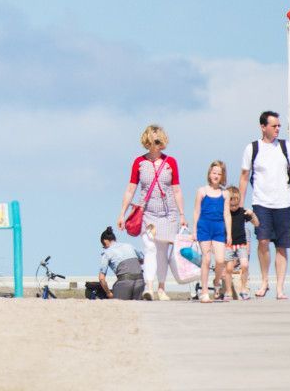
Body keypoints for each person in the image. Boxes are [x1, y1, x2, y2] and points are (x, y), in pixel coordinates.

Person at [239, 110, 290, 300]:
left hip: (283, 204)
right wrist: (239, 203)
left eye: (279, 125)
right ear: (263, 127)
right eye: (274, 126)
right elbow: (244, 177)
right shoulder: (252, 148)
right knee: (262, 241)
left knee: (282, 245)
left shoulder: (286, 147)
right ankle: (264, 281)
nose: (278, 129)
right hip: (261, 202)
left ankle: (280, 287)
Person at [119, 124, 186, 300]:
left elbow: (177, 189)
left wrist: (182, 214)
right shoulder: (139, 162)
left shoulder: (170, 162)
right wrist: (122, 213)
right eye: (150, 142)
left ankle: (161, 287)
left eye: (157, 141)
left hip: (168, 212)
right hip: (146, 212)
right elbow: (130, 189)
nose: (154, 145)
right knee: (149, 247)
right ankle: (149, 286)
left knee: (162, 251)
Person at [191, 161, 233, 302]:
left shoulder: (225, 193)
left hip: (219, 227)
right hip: (204, 226)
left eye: (219, 173)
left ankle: (216, 282)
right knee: (207, 259)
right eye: (214, 172)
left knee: (221, 260)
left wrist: (229, 233)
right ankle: (204, 292)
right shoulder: (202, 191)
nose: (216, 175)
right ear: (209, 174)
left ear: (222, 176)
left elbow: (227, 214)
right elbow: (196, 212)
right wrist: (194, 231)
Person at [224, 184, 258, 299]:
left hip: (241, 244)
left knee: (244, 265)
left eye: (236, 204)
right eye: (231, 205)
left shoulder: (242, 212)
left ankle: (243, 289)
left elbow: (257, 223)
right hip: (228, 245)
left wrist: (252, 214)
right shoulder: (224, 214)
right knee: (228, 269)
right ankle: (228, 291)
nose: (234, 207)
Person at [97, 227, 145, 300]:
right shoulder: (129, 246)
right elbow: (143, 259)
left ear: (105, 241)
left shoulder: (107, 253)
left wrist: (108, 293)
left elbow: (101, 278)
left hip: (124, 283)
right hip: (140, 281)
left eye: (103, 246)